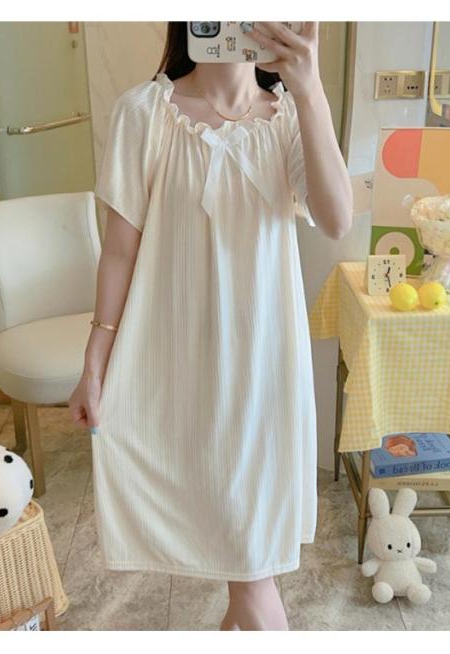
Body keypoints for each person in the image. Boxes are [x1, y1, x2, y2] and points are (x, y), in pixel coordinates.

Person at [69, 21, 353, 631]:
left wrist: (309, 89)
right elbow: (119, 252)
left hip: (266, 374)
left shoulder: (288, 115)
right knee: (247, 563)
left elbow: (336, 219)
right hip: (176, 369)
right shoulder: (144, 113)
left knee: (249, 562)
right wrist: (94, 364)